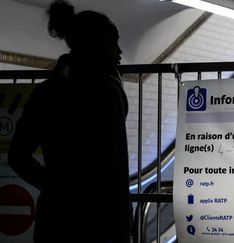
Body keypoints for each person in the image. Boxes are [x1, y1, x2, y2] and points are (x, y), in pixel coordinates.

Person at [8, 0, 132, 242]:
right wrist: (124, 226)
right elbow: (116, 170)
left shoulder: (46, 92)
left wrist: (55, 187)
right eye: (113, 43)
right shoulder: (107, 93)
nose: (119, 52)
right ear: (94, 45)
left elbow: (17, 156)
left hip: (54, 221)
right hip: (100, 225)